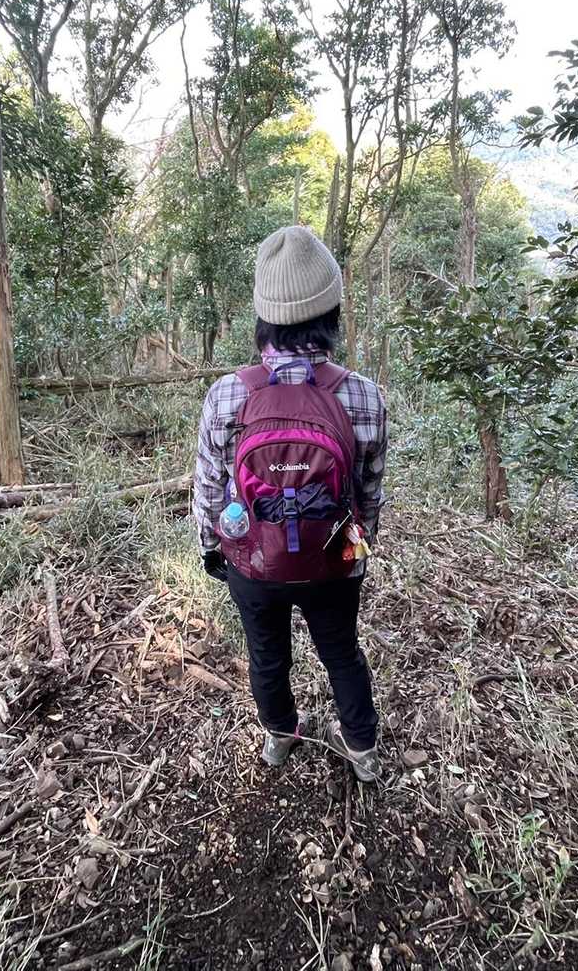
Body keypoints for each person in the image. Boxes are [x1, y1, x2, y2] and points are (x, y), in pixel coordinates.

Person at [192, 226, 388, 782]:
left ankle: (280, 735)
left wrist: (213, 549)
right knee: (342, 651)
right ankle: (362, 749)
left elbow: (209, 489)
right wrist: (358, 551)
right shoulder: (363, 395)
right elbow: (368, 491)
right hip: (334, 561)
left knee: (267, 653)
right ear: (331, 312)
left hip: (254, 562)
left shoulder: (228, 394)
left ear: (263, 316)